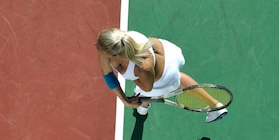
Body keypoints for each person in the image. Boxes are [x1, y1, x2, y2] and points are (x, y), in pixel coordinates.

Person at [96, 28, 227, 123]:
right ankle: (215, 105)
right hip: (167, 51)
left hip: (163, 76)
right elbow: (107, 74)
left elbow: (147, 88)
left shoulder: (143, 68)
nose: (96, 46)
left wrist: (132, 88)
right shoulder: (120, 40)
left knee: (144, 92)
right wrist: (124, 100)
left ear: (113, 55)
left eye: (100, 48)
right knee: (179, 78)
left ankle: (143, 108)